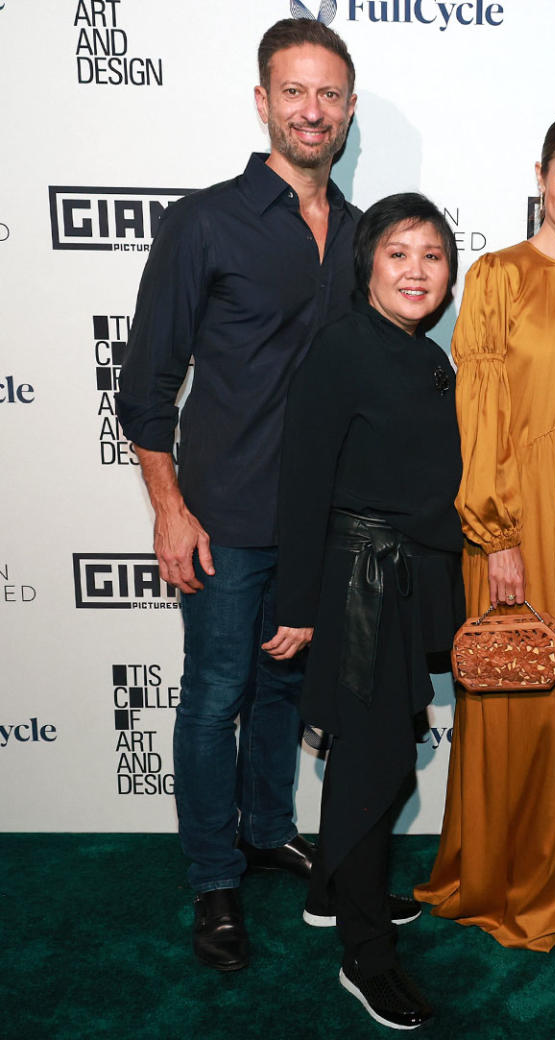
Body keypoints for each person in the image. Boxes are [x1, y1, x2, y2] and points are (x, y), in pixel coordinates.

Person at [116, 18, 361, 972]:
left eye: (329, 95)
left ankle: (266, 830)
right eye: (294, 92)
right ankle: (214, 880)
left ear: (347, 110)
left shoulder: (361, 232)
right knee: (214, 693)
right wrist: (168, 506)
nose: (312, 110)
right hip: (222, 519)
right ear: (263, 101)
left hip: (321, 524)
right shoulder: (204, 220)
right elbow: (145, 383)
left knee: (283, 689)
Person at [415, 109, 555, 951]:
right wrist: (496, 532)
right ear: (540, 176)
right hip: (519, 519)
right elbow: (481, 412)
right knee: (520, 698)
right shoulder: (498, 274)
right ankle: (503, 872)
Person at [270, 193, 463, 1030]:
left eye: (432, 255)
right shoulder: (343, 348)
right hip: (356, 583)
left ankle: (329, 892)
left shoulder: (426, 356)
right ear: (368, 265)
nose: (417, 270)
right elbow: (305, 480)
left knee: (377, 747)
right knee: (377, 760)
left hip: (406, 578)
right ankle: (365, 955)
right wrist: (299, 604)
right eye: (398, 253)